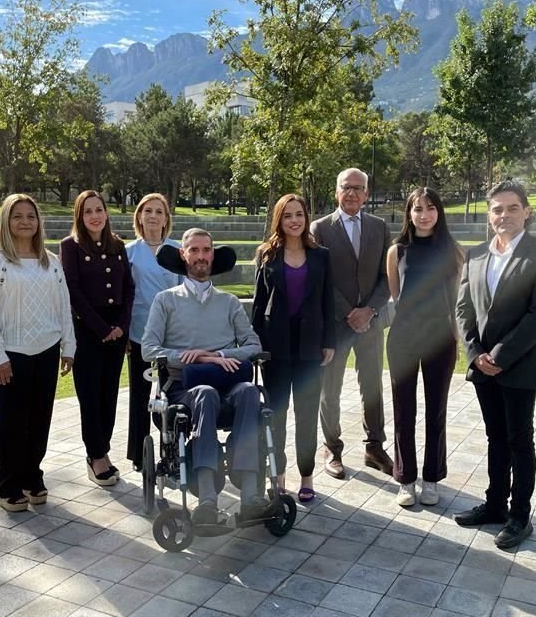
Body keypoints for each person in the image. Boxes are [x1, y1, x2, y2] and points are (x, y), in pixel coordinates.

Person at [454, 180, 536, 549]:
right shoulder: (476, 255)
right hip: (482, 366)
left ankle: (519, 516)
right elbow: (463, 309)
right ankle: (495, 505)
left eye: (512, 208)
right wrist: (474, 354)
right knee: (495, 437)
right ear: (489, 215)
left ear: (527, 211)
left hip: (519, 366)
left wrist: (499, 357)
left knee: (519, 440)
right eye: (497, 209)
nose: (504, 215)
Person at [141, 228, 270, 524]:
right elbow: (149, 349)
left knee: (251, 391)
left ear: (213, 255)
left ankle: (250, 494)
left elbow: (253, 345)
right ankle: (208, 500)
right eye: (194, 250)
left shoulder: (229, 303)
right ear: (183, 255)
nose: (201, 256)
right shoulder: (166, 301)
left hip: (227, 384)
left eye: (206, 250)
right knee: (205, 393)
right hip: (183, 388)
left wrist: (219, 356)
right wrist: (194, 356)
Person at [0, 194, 75, 512]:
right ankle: (9, 484)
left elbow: (64, 308)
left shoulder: (51, 262)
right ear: (6, 220)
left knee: (39, 419)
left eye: (31, 216)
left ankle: (33, 476)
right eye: (18, 216)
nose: (25, 222)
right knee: (9, 422)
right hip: (10, 354)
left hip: (45, 351)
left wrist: (68, 347)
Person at [310, 168, 393, 479]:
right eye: (346, 187)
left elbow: (387, 276)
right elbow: (318, 279)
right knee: (329, 390)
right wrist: (350, 312)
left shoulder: (379, 227)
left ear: (367, 194)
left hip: (371, 322)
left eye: (358, 188)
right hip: (335, 323)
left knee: (372, 386)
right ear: (336, 191)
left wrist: (369, 309)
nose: (352, 193)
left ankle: (374, 446)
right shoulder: (319, 229)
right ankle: (332, 446)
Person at [252, 194, 335, 503]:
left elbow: (328, 301)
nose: (294, 220)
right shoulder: (267, 255)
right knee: (277, 415)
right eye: (287, 215)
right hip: (276, 348)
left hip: (311, 349)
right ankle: (279, 474)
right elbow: (259, 304)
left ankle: (307, 475)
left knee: (306, 415)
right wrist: (255, 344)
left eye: (299, 214)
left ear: (306, 217)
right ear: (279, 220)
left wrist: (330, 341)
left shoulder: (322, 256)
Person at [386, 187, 463, 507]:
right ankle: (405, 479)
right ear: (409, 214)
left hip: (441, 338)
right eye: (418, 209)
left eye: (431, 208)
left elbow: (458, 296)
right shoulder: (397, 251)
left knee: (437, 410)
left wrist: (457, 337)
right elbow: (395, 294)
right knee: (404, 411)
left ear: (439, 212)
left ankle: (431, 478)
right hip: (404, 337)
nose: (424, 214)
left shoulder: (454, 250)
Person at [60, 190, 135, 487]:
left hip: (117, 331)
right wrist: (102, 329)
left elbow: (128, 288)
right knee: (90, 397)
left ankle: (102, 449)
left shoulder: (118, 245)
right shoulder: (70, 247)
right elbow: (74, 292)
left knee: (109, 396)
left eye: (99, 209)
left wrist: (121, 326)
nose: (95, 215)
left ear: (106, 212)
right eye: (88, 211)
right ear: (80, 216)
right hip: (88, 333)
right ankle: (96, 456)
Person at [125, 193, 181, 472]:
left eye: (159, 211)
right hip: (139, 334)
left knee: (171, 396)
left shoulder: (178, 250)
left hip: (173, 337)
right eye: (148, 210)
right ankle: (138, 453)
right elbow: (124, 295)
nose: (153, 216)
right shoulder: (129, 252)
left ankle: (171, 450)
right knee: (141, 396)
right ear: (139, 216)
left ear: (166, 219)